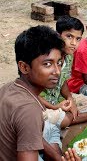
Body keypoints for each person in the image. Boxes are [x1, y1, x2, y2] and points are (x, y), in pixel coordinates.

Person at [0, 25, 65, 160]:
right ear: (24, 67)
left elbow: (28, 131)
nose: (57, 71)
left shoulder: (8, 88)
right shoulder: (29, 110)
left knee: (50, 129)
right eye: (47, 64)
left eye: (59, 63)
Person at [39, 16, 87, 129]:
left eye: (78, 39)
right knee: (52, 118)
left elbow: (63, 82)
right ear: (58, 35)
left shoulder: (69, 56)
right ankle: (61, 121)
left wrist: (70, 99)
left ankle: (63, 120)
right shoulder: (46, 57)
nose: (74, 43)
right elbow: (32, 93)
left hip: (59, 99)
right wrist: (54, 107)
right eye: (69, 36)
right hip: (42, 104)